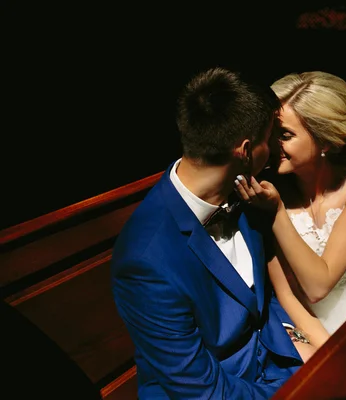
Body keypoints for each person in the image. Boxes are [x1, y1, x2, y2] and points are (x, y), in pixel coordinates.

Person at [111, 66, 319, 400]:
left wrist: (296, 343)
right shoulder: (144, 262)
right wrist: (300, 385)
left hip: (269, 359)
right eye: (270, 138)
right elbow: (204, 392)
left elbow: (260, 302)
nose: (277, 152)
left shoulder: (244, 193)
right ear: (246, 151)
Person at [233, 71, 346, 335]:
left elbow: (318, 286)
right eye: (271, 132)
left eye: (286, 135)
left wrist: (277, 211)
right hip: (303, 318)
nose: (272, 145)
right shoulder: (264, 190)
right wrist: (330, 354)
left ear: (324, 140)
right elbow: (289, 296)